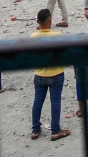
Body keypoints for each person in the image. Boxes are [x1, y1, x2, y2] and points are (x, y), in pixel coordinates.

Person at [30, 9, 71, 141]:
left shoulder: (33, 36)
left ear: (37, 22)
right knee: (55, 101)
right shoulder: (57, 35)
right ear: (50, 21)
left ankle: (35, 129)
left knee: (38, 101)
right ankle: (55, 130)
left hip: (40, 73)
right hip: (56, 72)